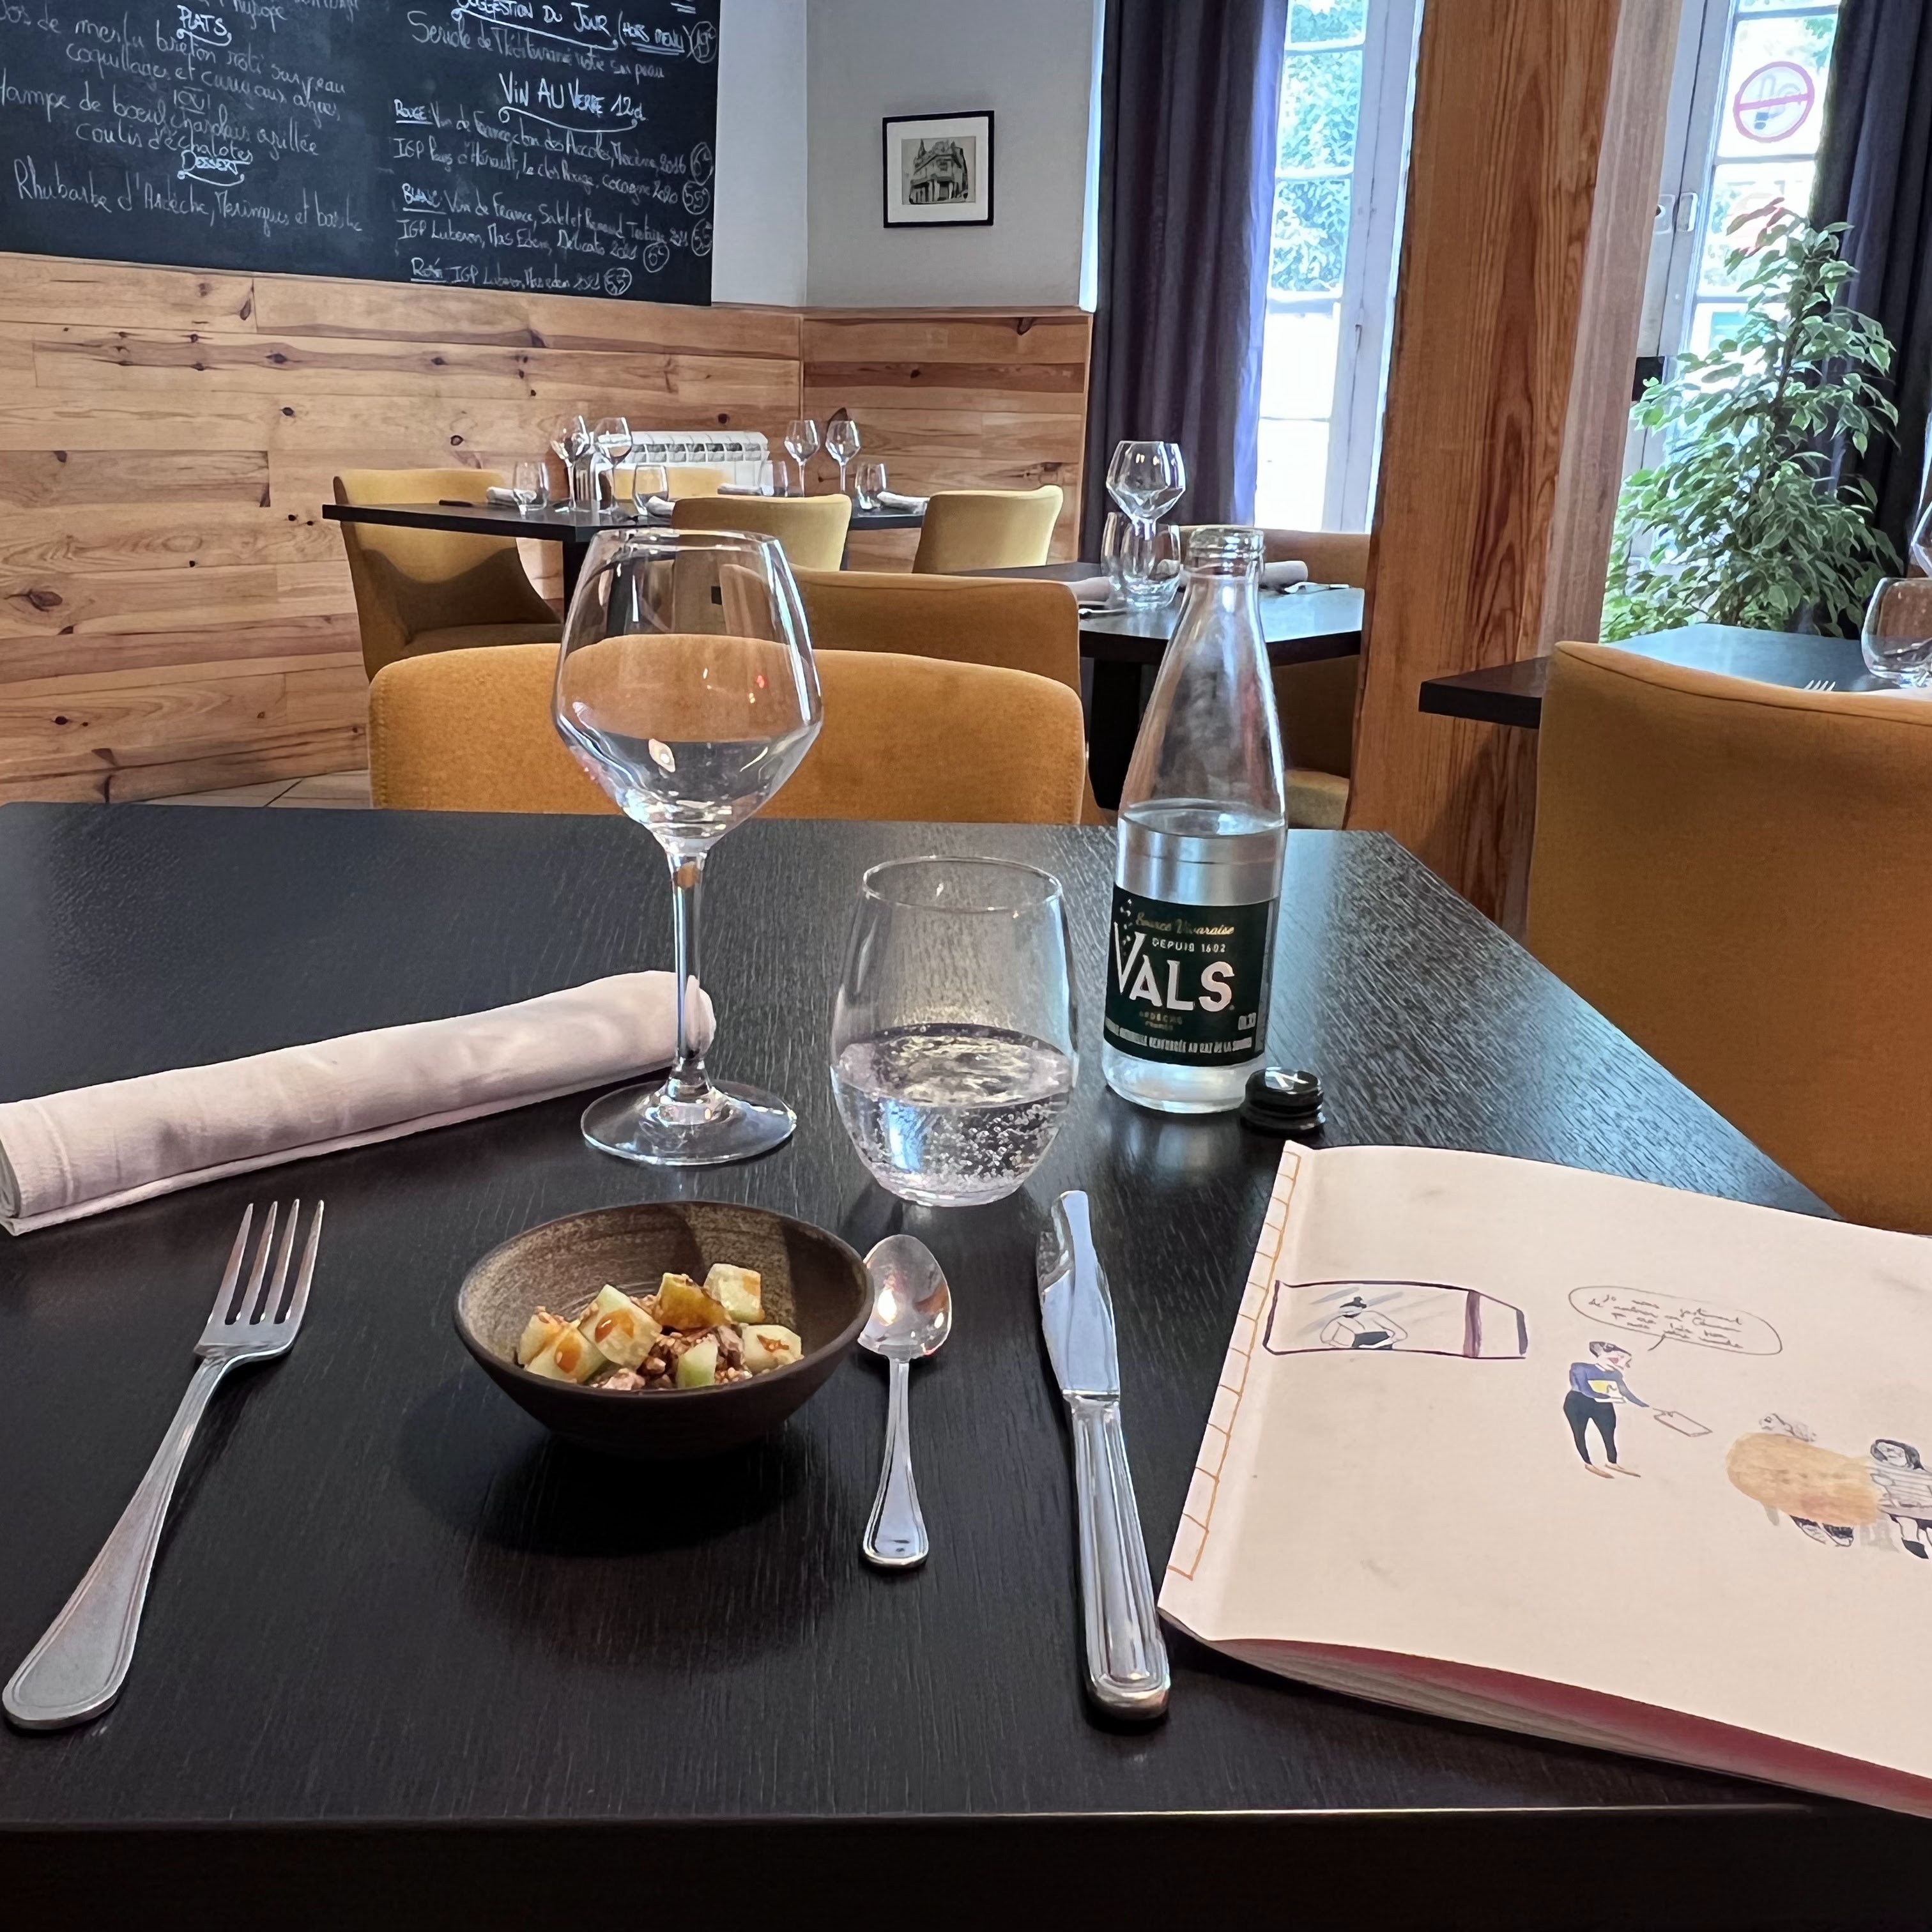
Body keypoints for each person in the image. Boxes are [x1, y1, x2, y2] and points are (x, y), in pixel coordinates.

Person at [1563, 1341, 1648, 1477]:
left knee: (1609, 1431)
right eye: (1615, 1359)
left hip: (1602, 1404)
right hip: (1578, 1402)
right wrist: (1602, 1395)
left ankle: (1612, 1462)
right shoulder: (1580, 1368)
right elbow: (1584, 1388)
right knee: (1580, 1432)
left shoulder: (1615, 1375)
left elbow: (1624, 1391)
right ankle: (1588, 1462)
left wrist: (1643, 1405)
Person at [1870, 1439, 1932, 1558]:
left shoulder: (1924, 1476)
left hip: (1927, 1512)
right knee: (1908, 1528)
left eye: (1893, 1449)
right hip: (1905, 1512)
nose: (1890, 1452)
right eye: (1885, 1452)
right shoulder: (1887, 1479)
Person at [1319, 1296, 1407, 1350]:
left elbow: (1401, 1335)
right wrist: (1345, 1347)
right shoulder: (1340, 1320)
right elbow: (1325, 1339)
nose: (1348, 1314)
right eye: (1345, 1312)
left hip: (1372, 1346)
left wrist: (1375, 1346)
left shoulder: (1372, 1315)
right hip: (1362, 1347)